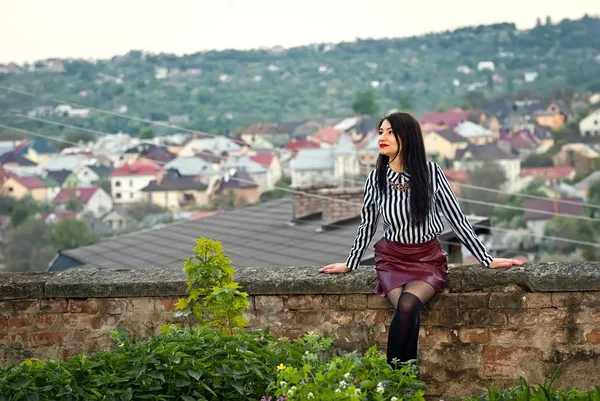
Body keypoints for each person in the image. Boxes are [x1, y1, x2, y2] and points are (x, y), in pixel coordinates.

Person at [319, 112, 524, 368]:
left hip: (426, 260)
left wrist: (487, 259)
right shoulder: (376, 179)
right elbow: (367, 225)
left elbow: (457, 219)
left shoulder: (431, 173)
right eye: (380, 131)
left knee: (407, 306)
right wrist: (351, 263)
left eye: (390, 132)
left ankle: (394, 380)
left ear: (408, 136)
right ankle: (402, 380)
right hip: (392, 259)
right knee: (406, 312)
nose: (382, 137)